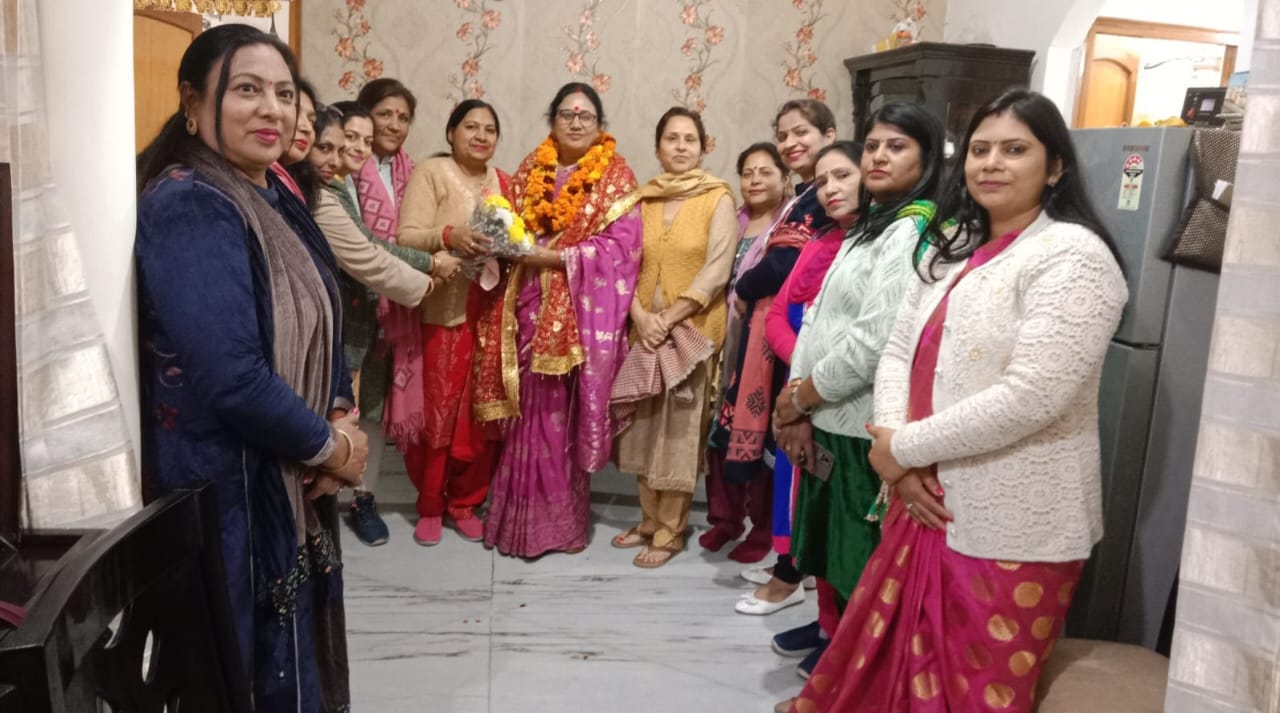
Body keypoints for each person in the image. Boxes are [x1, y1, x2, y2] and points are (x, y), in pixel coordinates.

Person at [782, 89, 1127, 713]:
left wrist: (901, 449)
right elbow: (898, 350)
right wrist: (896, 452)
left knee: (975, 687)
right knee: (888, 666)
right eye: (980, 149)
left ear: (1054, 166)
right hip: (918, 496)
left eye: (1014, 150)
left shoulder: (1074, 257)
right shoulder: (953, 245)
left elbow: (1032, 396)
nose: (991, 163)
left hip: (1012, 517)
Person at [134, 25, 368, 713]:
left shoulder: (274, 187)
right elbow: (234, 378)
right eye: (247, 89)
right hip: (228, 490)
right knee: (240, 670)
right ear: (192, 102)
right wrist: (336, 449)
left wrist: (338, 410)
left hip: (290, 467)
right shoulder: (191, 203)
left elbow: (324, 312)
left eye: (285, 94)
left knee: (291, 664)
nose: (273, 109)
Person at [772, 106, 946, 689]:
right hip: (825, 411)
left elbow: (871, 342)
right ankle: (833, 636)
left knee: (857, 554)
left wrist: (802, 398)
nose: (877, 157)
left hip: (858, 421)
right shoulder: (872, 224)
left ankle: (853, 663)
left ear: (926, 158)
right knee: (827, 543)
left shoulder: (913, 229)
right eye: (871, 145)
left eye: (896, 146)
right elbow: (819, 319)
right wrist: (797, 398)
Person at [475, 82, 641, 558]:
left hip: (578, 313)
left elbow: (622, 250)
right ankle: (514, 521)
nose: (575, 122)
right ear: (552, 120)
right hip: (525, 304)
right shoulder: (532, 167)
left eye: (585, 115)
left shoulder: (615, 177)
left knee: (558, 416)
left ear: (599, 125)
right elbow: (509, 227)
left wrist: (554, 258)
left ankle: (559, 526)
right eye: (567, 114)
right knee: (525, 410)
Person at [710, 99, 835, 614]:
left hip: (806, 343)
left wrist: (745, 287)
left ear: (829, 134)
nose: (790, 143)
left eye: (801, 132)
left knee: (798, 456)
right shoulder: (803, 194)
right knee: (786, 454)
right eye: (783, 135)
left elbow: (786, 266)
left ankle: (792, 570)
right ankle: (792, 562)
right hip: (783, 337)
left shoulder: (825, 195)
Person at [612, 107, 736, 568]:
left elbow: (718, 268)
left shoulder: (717, 198)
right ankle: (648, 520)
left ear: (703, 147)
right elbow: (622, 264)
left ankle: (670, 531)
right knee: (643, 429)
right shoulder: (641, 200)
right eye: (672, 138)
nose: (681, 146)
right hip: (643, 331)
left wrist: (670, 316)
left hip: (691, 333)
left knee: (679, 434)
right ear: (658, 147)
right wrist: (641, 316)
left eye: (690, 139)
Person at [328, 101, 450, 546]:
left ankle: (364, 499)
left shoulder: (411, 173)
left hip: (389, 313)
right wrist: (430, 267)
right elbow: (367, 248)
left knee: (374, 411)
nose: (392, 125)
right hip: (347, 311)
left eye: (403, 117)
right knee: (335, 410)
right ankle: (321, 503)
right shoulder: (328, 184)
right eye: (352, 137)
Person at [397, 99, 510, 546]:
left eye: (489, 129)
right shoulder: (432, 172)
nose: (481, 136)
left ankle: (466, 501)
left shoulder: (504, 182)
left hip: (491, 315)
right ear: (451, 133)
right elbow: (405, 237)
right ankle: (429, 502)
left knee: (480, 417)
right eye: (471, 127)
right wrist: (449, 236)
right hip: (444, 312)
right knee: (440, 412)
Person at [699, 142, 790, 559]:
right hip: (721, 337)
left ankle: (762, 528)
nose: (754, 180)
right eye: (748, 172)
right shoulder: (731, 221)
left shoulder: (788, 227)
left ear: (785, 179)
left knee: (757, 432)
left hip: (762, 346)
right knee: (717, 431)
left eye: (765, 172)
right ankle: (724, 519)